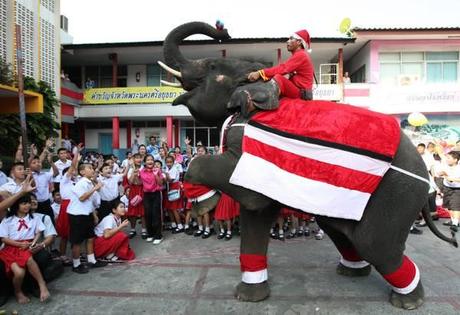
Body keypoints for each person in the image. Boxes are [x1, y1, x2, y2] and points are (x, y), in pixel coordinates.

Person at [0, 193, 50, 303]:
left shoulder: (34, 218)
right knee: (19, 273)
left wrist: (34, 242)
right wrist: (19, 245)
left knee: (27, 257)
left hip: (27, 246)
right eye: (23, 203)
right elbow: (3, 238)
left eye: (28, 203)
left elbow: (38, 232)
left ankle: (41, 286)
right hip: (11, 248)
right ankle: (18, 291)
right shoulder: (8, 220)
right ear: (16, 205)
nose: (27, 206)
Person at [248, 29, 314, 101]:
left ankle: (264, 102)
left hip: (302, 94)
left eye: (291, 38)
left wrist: (260, 73)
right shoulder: (300, 55)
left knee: (279, 78)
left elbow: (283, 68)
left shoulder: (301, 55)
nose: (287, 41)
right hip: (300, 91)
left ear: (299, 42)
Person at [66, 163, 107, 274]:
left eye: (92, 168)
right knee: (77, 240)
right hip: (77, 215)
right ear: (82, 172)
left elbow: (91, 203)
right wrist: (95, 188)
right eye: (89, 168)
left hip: (87, 214)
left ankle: (91, 260)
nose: (92, 169)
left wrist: (94, 215)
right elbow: (82, 197)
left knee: (90, 237)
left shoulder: (89, 183)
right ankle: (76, 264)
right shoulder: (81, 183)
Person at [137, 155, 164, 245]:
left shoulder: (157, 170)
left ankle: (158, 236)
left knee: (156, 214)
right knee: (148, 214)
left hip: (156, 194)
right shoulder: (141, 171)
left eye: (151, 160)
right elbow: (139, 182)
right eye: (148, 160)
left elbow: (160, 183)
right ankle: (150, 234)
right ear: (145, 162)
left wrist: (156, 174)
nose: (150, 161)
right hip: (146, 195)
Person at [439, 151, 460, 232]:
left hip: (457, 189)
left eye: (449, 158)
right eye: (447, 158)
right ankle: (453, 220)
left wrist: (452, 179)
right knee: (449, 206)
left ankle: (455, 223)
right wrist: (442, 173)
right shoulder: (445, 166)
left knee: (456, 206)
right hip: (447, 188)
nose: (447, 159)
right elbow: (439, 173)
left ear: (455, 160)